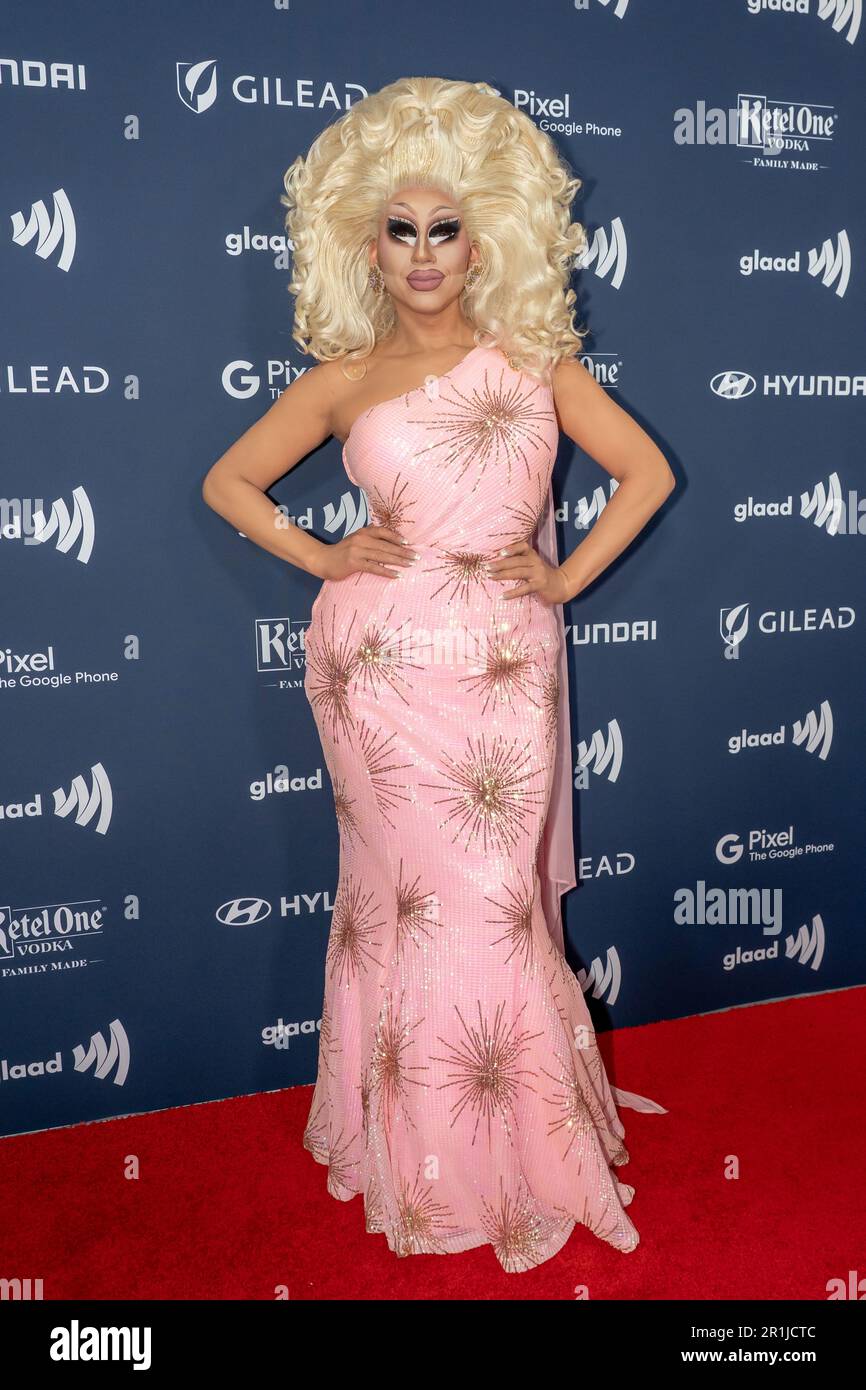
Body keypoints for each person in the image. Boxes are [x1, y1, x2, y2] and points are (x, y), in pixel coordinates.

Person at [203, 76, 674, 1274]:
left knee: (492, 901)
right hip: (373, 665)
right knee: (404, 905)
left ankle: (514, 1143)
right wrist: (319, 553)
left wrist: (561, 585)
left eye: (444, 228)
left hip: (503, 665)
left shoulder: (532, 360)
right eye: (399, 230)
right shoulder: (343, 377)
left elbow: (646, 474)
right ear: (368, 243)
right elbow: (227, 483)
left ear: (481, 240)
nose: (422, 255)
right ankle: (420, 1156)